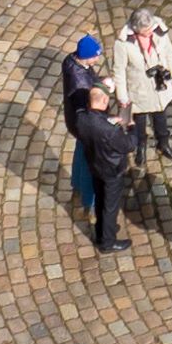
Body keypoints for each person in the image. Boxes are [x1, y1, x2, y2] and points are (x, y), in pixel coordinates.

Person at [112, 8, 172, 166]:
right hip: (138, 89)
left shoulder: (159, 31)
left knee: (161, 119)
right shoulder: (123, 43)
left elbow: (169, 53)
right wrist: (122, 96)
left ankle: (163, 144)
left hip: (159, 86)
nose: (151, 32)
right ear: (136, 29)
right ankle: (140, 147)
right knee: (139, 123)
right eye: (146, 31)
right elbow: (119, 71)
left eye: (151, 29)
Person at [72, 88, 135, 253]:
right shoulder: (110, 131)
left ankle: (102, 230)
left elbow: (97, 126)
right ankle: (107, 242)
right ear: (105, 101)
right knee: (110, 205)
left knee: (100, 200)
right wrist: (131, 128)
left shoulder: (82, 118)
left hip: (95, 166)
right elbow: (128, 145)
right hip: (111, 170)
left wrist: (109, 120)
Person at [61, 34, 106, 220]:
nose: (97, 59)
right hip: (83, 126)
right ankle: (88, 202)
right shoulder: (79, 83)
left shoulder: (72, 61)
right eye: (95, 55)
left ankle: (77, 185)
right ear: (86, 56)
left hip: (75, 124)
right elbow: (86, 109)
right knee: (89, 163)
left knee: (80, 154)